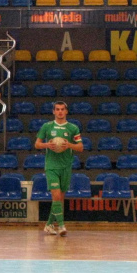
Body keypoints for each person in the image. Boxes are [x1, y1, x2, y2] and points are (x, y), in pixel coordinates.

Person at [35, 101, 83, 237]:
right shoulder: (47, 126)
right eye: (57, 109)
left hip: (66, 166)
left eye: (62, 109)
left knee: (60, 199)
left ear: (66, 111)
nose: (60, 112)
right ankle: (61, 226)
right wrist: (47, 145)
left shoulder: (73, 128)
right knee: (56, 196)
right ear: (53, 112)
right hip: (51, 166)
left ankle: (49, 225)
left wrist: (69, 145)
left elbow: (80, 147)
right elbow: (37, 144)